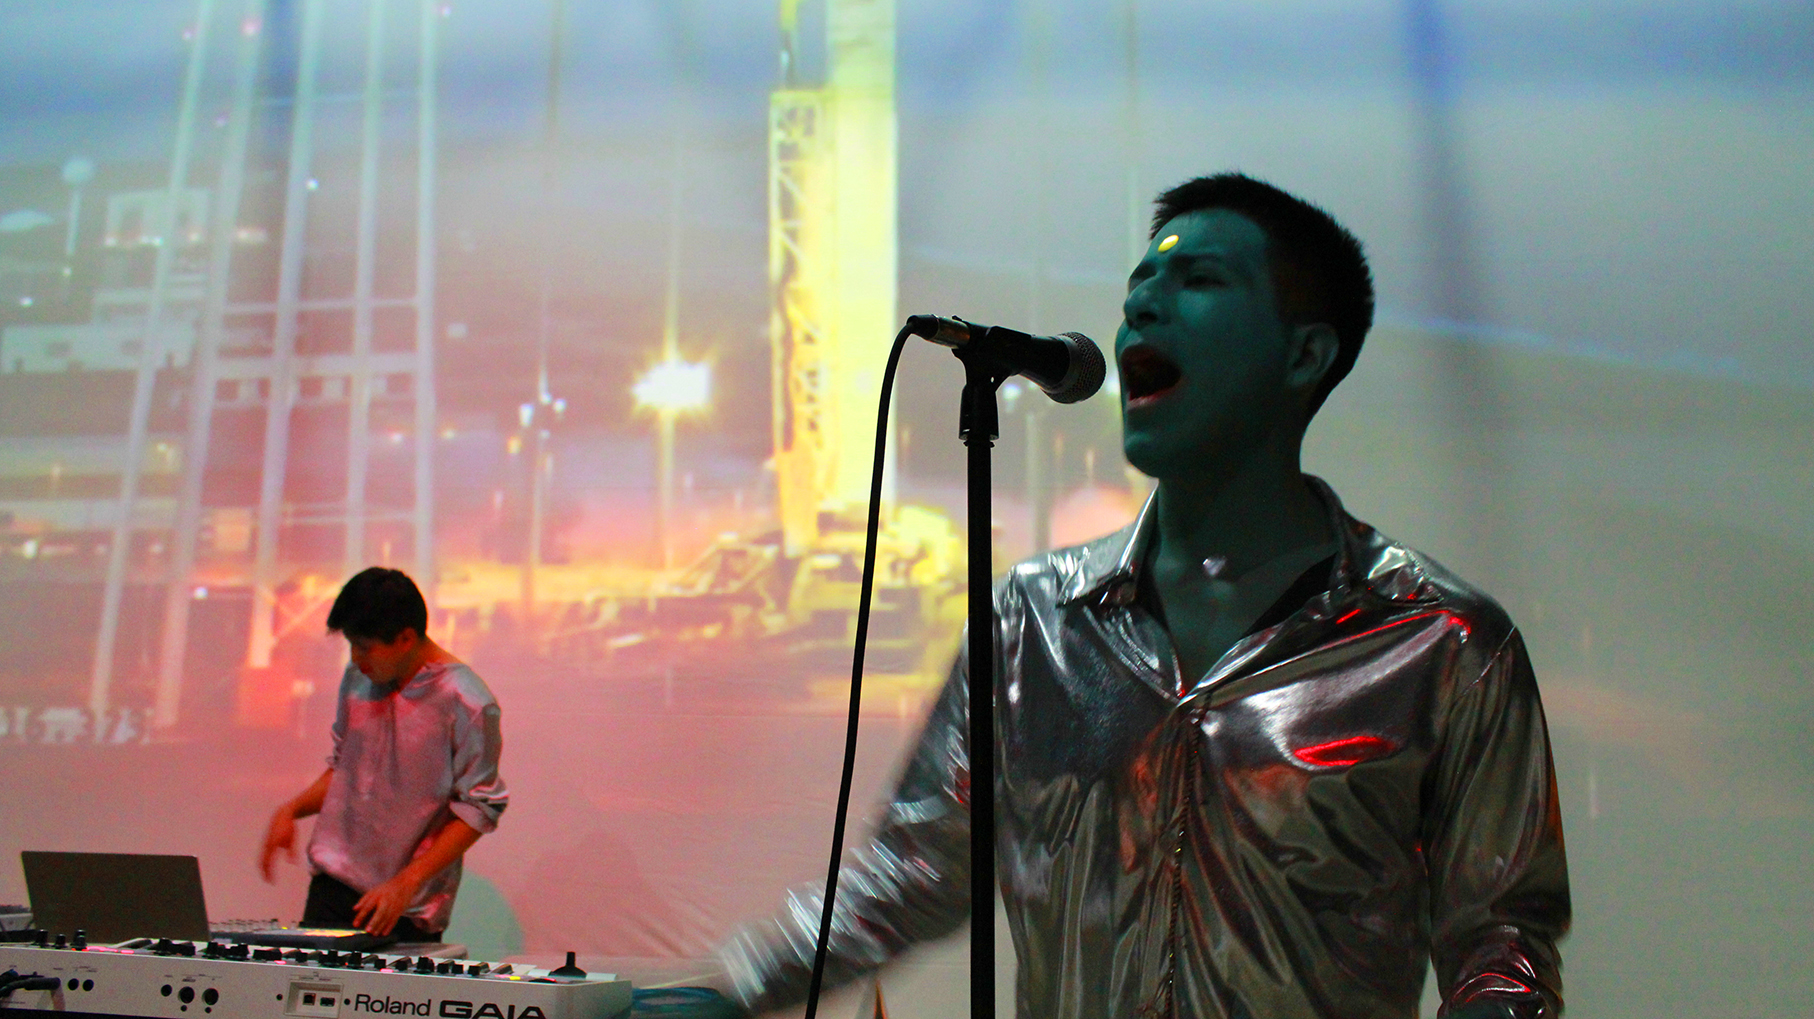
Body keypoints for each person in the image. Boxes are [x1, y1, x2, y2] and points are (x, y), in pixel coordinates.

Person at [717, 173, 1570, 1018]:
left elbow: (1501, 944)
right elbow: (913, 872)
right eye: (1139, 286)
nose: (1143, 307)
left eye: (1199, 280)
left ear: (1304, 355)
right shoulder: (1030, 624)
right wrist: (722, 993)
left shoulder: (1441, 643)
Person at [259, 567, 508, 941]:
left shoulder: (467, 700)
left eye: (365, 647)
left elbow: (479, 807)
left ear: (406, 638)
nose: (356, 658)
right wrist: (291, 809)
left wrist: (406, 882)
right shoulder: (359, 677)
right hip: (332, 886)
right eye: (351, 645)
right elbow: (346, 768)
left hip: (402, 906)